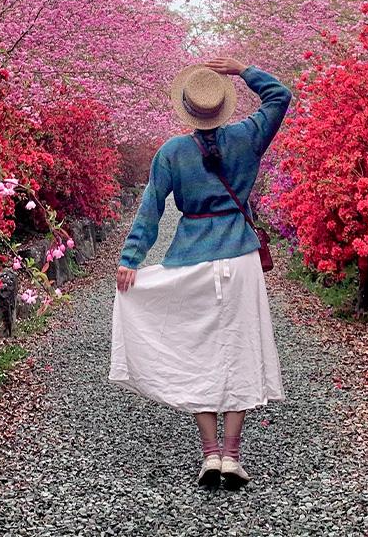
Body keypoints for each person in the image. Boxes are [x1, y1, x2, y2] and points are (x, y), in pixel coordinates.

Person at [109, 57, 293, 491]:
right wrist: (241, 69)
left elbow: (151, 207)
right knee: (241, 349)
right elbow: (280, 96)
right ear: (222, 106)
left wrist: (131, 258)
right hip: (241, 258)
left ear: (188, 109)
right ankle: (232, 456)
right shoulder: (248, 137)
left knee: (199, 352)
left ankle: (210, 454)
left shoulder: (173, 152)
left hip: (191, 259)